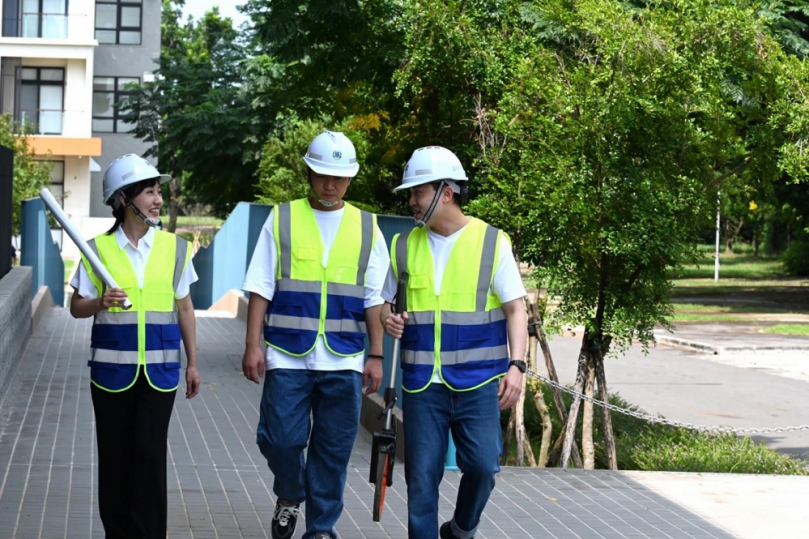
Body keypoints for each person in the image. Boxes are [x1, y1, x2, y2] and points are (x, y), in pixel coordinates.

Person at [241, 131, 390, 539]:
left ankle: (321, 528)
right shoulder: (282, 217)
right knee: (279, 440)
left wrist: (376, 356)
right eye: (322, 174)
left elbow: (376, 298)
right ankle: (290, 492)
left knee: (333, 451)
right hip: (287, 354)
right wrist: (252, 345)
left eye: (339, 178)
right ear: (308, 172)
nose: (330, 185)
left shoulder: (367, 227)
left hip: (343, 358)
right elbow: (259, 286)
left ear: (350, 179)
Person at [382, 146, 528, 539]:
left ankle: (462, 529)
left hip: (479, 382)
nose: (411, 201)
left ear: (446, 192)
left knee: (483, 467)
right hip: (421, 384)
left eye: (419, 192)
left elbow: (517, 310)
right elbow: (384, 305)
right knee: (421, 481)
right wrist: (388, 318)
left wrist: (518, 367)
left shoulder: (492, 243)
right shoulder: (403, 245)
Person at [69, 154, 200, 539]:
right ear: (124, 200)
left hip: (159, 375)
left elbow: (186, 307)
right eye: (149, 192)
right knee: (114, 459)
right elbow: (76, 307)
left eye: (159, 191)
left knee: (148, 454)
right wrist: (99, 303)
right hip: (111, 375)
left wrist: (193, 363)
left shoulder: (174, 249)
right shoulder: (98, 250)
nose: (158, 200)